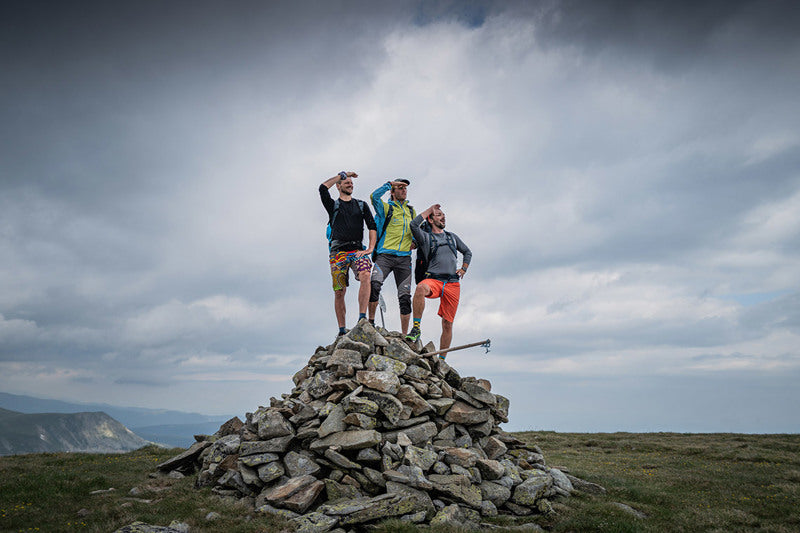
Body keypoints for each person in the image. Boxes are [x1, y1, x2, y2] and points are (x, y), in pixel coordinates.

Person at [406, 204, 472, 358]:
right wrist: (430, 210)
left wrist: (464, 268)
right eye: (439, 215)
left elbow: (467, 252)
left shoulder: (452, 237)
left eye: (443, 215)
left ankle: (442, 360)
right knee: (420, 288)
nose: (443, 218)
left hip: (452, 283)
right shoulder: (426, 237)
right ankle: (416, 328)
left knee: (447, 324)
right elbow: (413, 225)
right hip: (434, 280)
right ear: (430, 220)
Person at [319, 171, 377, 336]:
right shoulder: (333, 205)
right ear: (338, 186)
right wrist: (341, 175)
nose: (350, 184)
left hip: (357, 250)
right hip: (338, 253)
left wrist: (370, 248)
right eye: (346, 183)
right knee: (339, 291)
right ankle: (342, 330)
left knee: (366, 275)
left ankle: (362, 319)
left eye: (351, 183)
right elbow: (322, 188)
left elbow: (372, 226)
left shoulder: (361, 205)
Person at [368, 178, 416, 334]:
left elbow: (416, 230)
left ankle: (404, 335)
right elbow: (374, 197)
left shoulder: (411, 211)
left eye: (405, 188)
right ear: (393, 192)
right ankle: (370, 322)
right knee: (374, 285)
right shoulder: (386, 208)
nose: (404, 190)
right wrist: (388, 185)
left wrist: (415, 242)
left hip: (404, 258)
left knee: (405, 297)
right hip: (385, 256)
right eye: (400, 187)